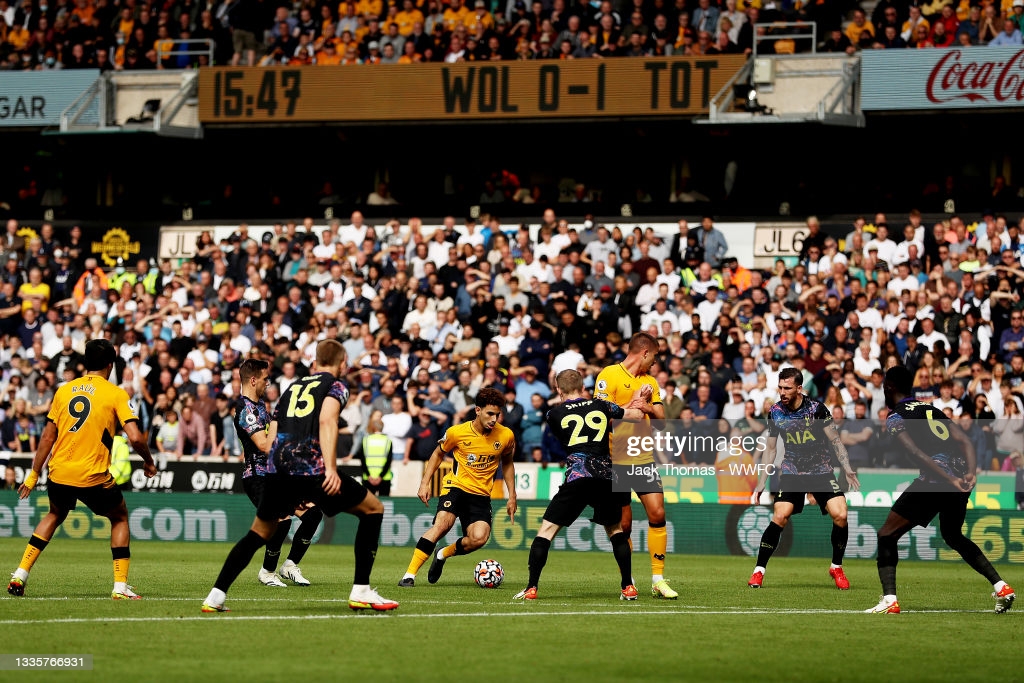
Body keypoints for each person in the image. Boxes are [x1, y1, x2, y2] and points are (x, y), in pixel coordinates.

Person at [201, 340, 398, 613]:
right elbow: (328, 420)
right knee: (373, 509)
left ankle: (215, 596)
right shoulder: (335, 386)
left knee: (258, 533)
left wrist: (277, 476)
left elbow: (274, 434)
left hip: (277, 470)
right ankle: (361, 590)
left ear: (315, 362)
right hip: (309, 467)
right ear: (342, 363)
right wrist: (329, 467)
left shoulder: (291, 388)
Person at [8, 339, 157, 599]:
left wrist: (33, 475)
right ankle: (120, 586)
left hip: (60, 472)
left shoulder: (64, 391)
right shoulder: (115, 393)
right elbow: (134, 437)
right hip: (92, 476)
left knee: (54, 514)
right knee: (119, 517)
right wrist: (148, 460)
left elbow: (46, 438)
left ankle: (21, 573)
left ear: (86, 363)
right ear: (110, 365)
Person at [865, 366, 1015, 614]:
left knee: (886, 535)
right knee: (953, 536)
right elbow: (964, 440)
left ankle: (889, 600)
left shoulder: (895, 417)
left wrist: (947, 478)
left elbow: (915, 452)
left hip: (936, 481)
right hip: (959, 477)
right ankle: (1001, 587)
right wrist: (971, 472)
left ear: (888, 387)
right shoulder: (930, 408)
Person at [513, 370, 654, 601]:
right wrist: (640, 398)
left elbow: (572, 433)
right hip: (607, 476)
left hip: (578, 475)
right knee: (615, 530)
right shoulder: (601, 405)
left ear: (559, 390)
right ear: (582, 387)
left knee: (546, 532)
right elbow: (634, 415)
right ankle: (628, 587)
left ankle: (531, 588)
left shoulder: (553, 414)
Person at [748, 367, 860, 590]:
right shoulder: (776, 411)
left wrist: (847, 468)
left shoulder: (817, 410)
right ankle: (758, 571)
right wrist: (762, 480)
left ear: (799, 388)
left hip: (821, 471)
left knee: (841, 515)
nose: (782, 392)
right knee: (780, 515)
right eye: (780, 387)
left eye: (787, 388)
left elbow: (836, 441)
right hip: (792, 471)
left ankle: (836, 566)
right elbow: (770, 448)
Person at [398, 387, 516, 587]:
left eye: (497, 414)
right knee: (442, 525)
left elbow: (508, 463)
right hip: (456, 487)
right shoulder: (456, 432)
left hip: (480, 495)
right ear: (477, 410)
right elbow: (437, 454)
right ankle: (409, 575)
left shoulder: (506, 436)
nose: (494, 419)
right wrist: (424, 483)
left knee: (478, 538)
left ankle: (443, 554)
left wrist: (512, 495)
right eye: (489, 414)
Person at [594, 331, 677, 599]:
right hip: (615, 460)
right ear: (644, 352)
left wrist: (649, 406)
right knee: (624, 525)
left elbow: (663, 420)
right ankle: (627, 580)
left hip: (642, 457)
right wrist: (631, 404)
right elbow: (600, 415)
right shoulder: (608, 375)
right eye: (653, 357)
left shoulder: (650, 381)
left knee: (657, 513)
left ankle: (658, 579)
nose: (655, 363)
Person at [235, 358, 323, 589]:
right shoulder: (246, 410)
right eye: (265, 379)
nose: (268, 383)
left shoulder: (262, 407)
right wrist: (278, 420)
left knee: (313, 514)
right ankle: (267, 572)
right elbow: (263, 445)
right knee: (281, 521)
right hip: (257, 477)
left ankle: (290, 565)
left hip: (278, 475)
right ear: (253, 380)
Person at [355, 415, 394, 496]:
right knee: (384, 505)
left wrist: (369, 476)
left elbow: (362, 460)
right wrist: (380, 476)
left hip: (368, 478)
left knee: (368, 506)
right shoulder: (388, 441)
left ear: (373, 427)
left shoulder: (366, 440)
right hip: (384, 478)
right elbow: (389, 461)